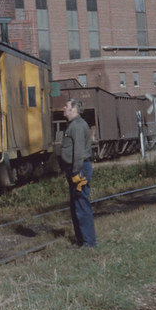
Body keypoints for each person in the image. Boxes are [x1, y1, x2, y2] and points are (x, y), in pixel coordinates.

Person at [61, 98, 96, 248]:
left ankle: (89, 242)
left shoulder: (78, 126)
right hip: (75, 168)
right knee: (76, 205)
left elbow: (79, 152)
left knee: (81, 205)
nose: (64, 107)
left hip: (79, 168)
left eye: (66, 106)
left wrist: (76, 172)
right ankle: (81, 241)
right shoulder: (74, 125)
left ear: (74, 110)